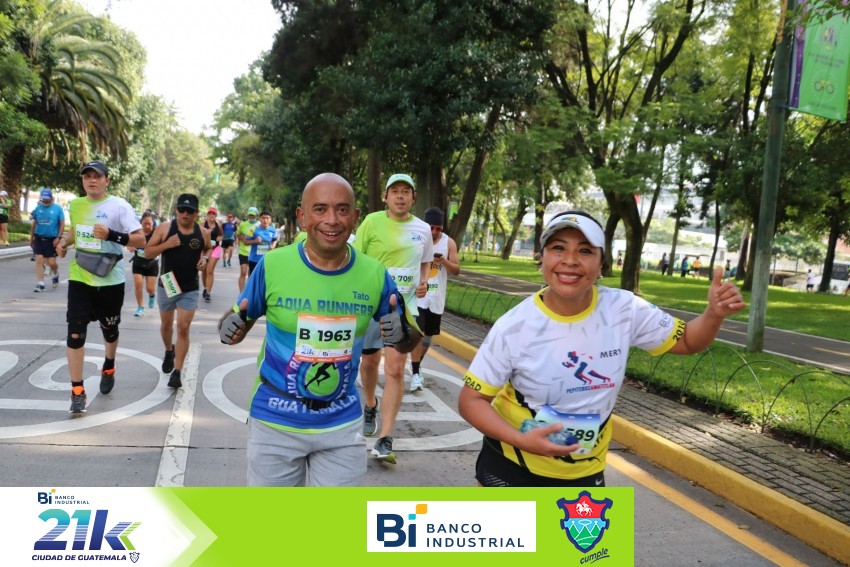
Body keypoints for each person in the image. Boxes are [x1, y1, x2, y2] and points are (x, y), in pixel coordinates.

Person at [457, 211, 745, 487]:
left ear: (602, 263)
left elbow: (688, 341)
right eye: (558, 248)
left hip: (585, 470)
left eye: (585, 250)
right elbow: (472, 401)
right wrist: (521, 440)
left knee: (583, 527)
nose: (570, 260)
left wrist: (714, 313)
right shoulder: (514, 326)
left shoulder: (624, 310)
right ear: (541, 258)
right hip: (512, 465)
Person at [218, 172, 420, 487]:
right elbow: (236, 323)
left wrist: (404, 333)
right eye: (320, 209)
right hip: (275, 419)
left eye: (342, 210)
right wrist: (229, 326)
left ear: (355, 217)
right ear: (302, 217)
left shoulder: (375, 275)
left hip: (341, 423)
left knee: (336, 520)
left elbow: (409, 340)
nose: (332, 220)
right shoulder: (274, 265)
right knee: (272, 519)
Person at [353, 173, 433, 464]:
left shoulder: (423, 229)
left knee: (397, 369)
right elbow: (355, 258)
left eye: (406, 191)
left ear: (413, 198)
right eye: (395, 191)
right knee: (369, 362)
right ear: (385, 197)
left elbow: (426, 261)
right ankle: (370, 404)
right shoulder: (372, 222)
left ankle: (385, 438)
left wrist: (423, 281)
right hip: (373, 306)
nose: (400, 196)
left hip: (403, 307)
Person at [55, 161, 145, 414]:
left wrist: (112, 235)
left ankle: (109, 365)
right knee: (75, 333)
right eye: (87, 176)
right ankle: (77, 391)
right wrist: (63, 243)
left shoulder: (119, 206)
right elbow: (75, 231)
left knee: (110, 329)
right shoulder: (76, 205)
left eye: (97, 176)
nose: (92, 180)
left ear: (107, 180)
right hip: (80, 277)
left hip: (110, 280)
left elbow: (141, 239)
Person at [143, 193, 211, 389]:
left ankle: (177, 372)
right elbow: (147, 252)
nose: (185, 214)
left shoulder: (203, 233)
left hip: (190, 287)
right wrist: (167, 244)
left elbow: (208, 248)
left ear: (197, 213)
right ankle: (168, 350)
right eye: (181, 209)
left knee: (183, 327)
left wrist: (205, 259)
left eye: (190, 211)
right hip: (167, 284)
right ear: (176, 210)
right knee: (166, 326)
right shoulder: (165, 228)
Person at [409, 207, 460, 392]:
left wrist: (444, 261)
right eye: (432, 227)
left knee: (427, 339)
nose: (435, 231)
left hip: (436, 298)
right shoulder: (417, 239)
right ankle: (416, 373)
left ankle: (416, 365)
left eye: (439, 228)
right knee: (418, 333)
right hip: (419, 295)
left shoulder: (449, 243)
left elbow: (456, 270)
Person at [29, 189, 65, 292]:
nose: (45, 200)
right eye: (43, 198)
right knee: (39, 259)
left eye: (47, 198)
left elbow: (62, 224)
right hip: (39, 237)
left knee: (52, 263)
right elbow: (34, 223)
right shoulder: (38, 209)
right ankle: (40, 284)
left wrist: (58, 237)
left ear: (52, 197)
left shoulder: (58, 209)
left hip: (52, 239)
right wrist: (31, 238)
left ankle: (55, 273)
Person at [128, 212, 158, 317]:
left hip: (152, 264)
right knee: (138, 285)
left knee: (150, 288)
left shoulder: (156, 233)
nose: (147, 226)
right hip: (138, 263)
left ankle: (152, 295)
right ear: (141, 223)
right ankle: (140, 307)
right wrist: (130, 246)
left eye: (149, 223)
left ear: (153, 223)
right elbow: (128, 241)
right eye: (145, 223)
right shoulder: (136, 232)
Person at [246, 211, 279, 275]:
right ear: (259, 219)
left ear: (270, 220)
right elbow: (245, 242)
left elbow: (275, 240)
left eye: (267, 218)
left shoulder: (273, 230)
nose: (265, 220)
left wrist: (273, 246)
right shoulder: (253, 229)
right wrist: (255, 241)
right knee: (253, 279)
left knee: (266, 279)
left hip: (267, 260)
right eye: (263, 218)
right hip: (254, 260)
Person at [201, 207, 223, 302]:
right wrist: (206, 235)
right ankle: (205, 287)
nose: (211, 215)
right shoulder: (202, 224)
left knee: (210, 270)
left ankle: (208, 293)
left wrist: (220, 238)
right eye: (210, 213)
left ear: (216, 215)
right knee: (204, 270)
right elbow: (198, 235)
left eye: (213, 214)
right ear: (207, 215)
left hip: (215, 248)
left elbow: (221, 234)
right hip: (205, 249)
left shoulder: (219, 225)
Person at [236, 207, 260, 293]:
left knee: (251, 275)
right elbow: (237, 234)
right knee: (243, 272)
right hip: (243, 251)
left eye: (253, 215)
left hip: (254, 253)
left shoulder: (259, 225)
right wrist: (241, 238)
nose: (251, 217)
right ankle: (241, 293)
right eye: (250, 215)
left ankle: (249, 293)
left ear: (256, 216)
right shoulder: (243, 224)